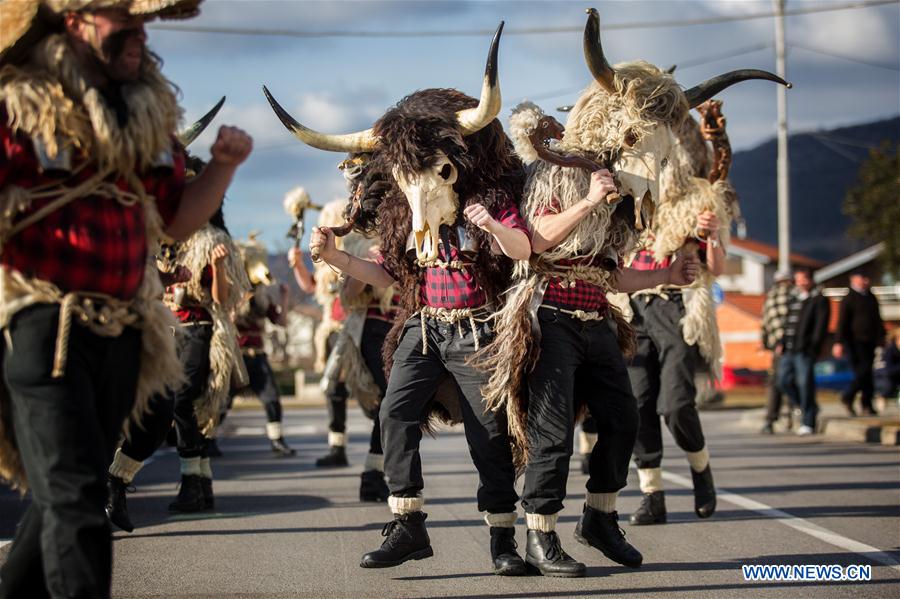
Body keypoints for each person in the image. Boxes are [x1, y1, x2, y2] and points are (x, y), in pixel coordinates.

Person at [0, 2, 252, 596]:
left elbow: (175, 220)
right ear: (76, 19)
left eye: (144, 23)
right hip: (43, 325)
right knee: (76, 497)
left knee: (74, 489)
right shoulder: (19, 104)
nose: (140, 33)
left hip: (124, 331)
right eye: (124, 19)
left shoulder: (147, 114)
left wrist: (222, 167)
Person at [233, 236, 297, 457]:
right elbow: (228, 319)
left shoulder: (262, 296)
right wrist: (242, 296)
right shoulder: (231, 291)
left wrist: (284, 298)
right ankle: (207, 441)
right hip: (235, 355)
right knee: (221, 400)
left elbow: (281, 322)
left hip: (258, 355)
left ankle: (276, 440)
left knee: (271, 397)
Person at [777, 267, 830, 435]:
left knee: (805, 384)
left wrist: (814, 346)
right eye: (798, 279)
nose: (800, 282)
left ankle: (808, 421)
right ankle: (807, 406)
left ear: (811, 280)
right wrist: (781, 342)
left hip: (805, 350)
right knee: (783, 381)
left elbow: (820, 326)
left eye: (804, 279)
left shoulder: (818, 300)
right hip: (788, 349)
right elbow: (787, 324)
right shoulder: (793, 299)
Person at [833, 271, 885, 416]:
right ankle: (849, 395)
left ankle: (866, 403)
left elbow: (877, 319)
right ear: (854, 280)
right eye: (863, 278)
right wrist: (838, 342)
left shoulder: (870, 297)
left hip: (870, 340)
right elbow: (842, 322)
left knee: (868, 373)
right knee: (862, 372)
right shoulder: (849, 298)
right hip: (854, 342)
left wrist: (881, 338)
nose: (866, 281)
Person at [760, 269, 795, 433]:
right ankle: (788, 415)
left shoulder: (770, 297)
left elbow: (765, 323)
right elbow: (776, 322)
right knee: (784, 381)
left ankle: (772, 419)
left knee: (778, 382)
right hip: (787, 345)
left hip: (779, 346)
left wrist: (767, 343)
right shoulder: (788, 296)